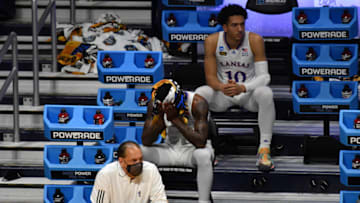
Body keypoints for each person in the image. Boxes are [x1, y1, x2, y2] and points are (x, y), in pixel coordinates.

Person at [195, 4, 276, 172]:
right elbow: (210, 77)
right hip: (223, 94)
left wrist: (243, 88)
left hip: (247, 94)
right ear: (224, 27)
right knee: (200, 94)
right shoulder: (212, 41)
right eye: (234, 25)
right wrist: (222, 87)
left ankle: (264, 149)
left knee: (266, 93)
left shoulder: (254, 40)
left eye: (242, 24)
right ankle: (206, 147)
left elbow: (265, 77)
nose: (240, 29)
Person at [142, 79, 214, 203]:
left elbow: (200, 142)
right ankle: (144, 199)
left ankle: (204, 201)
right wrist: (159, 118)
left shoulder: (197, 102)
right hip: (169, 149)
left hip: (193, 151)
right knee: (139, 152)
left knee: (203, 155)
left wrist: (175, 119)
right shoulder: (155, 104)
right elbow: (146, 140)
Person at [90, 141, 167, 203]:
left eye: (140, 159)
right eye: (134, 160)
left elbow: (160, 200)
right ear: (121, 161)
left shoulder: (151, 170)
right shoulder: (105, 175)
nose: (138, 164)